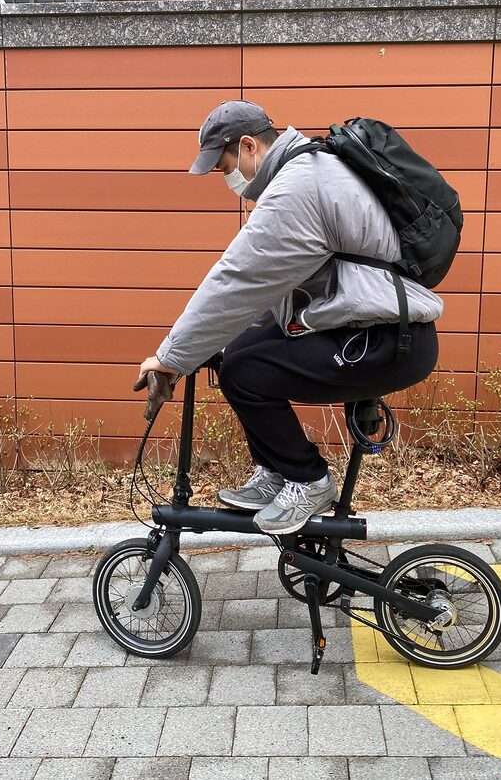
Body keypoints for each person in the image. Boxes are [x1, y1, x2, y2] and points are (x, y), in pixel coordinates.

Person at [135, 99, 442, 535]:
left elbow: (238, 280)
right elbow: (267, 296)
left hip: (385, 340)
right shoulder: (306, 170)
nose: (227, 179)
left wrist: (170, 358)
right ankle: (278, 471)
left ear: (248, 146)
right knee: (236, 355)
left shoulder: (298, 188)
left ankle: (308, 480)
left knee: (245, 373)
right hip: (373, 330)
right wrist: (201, 350)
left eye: (225, 167)